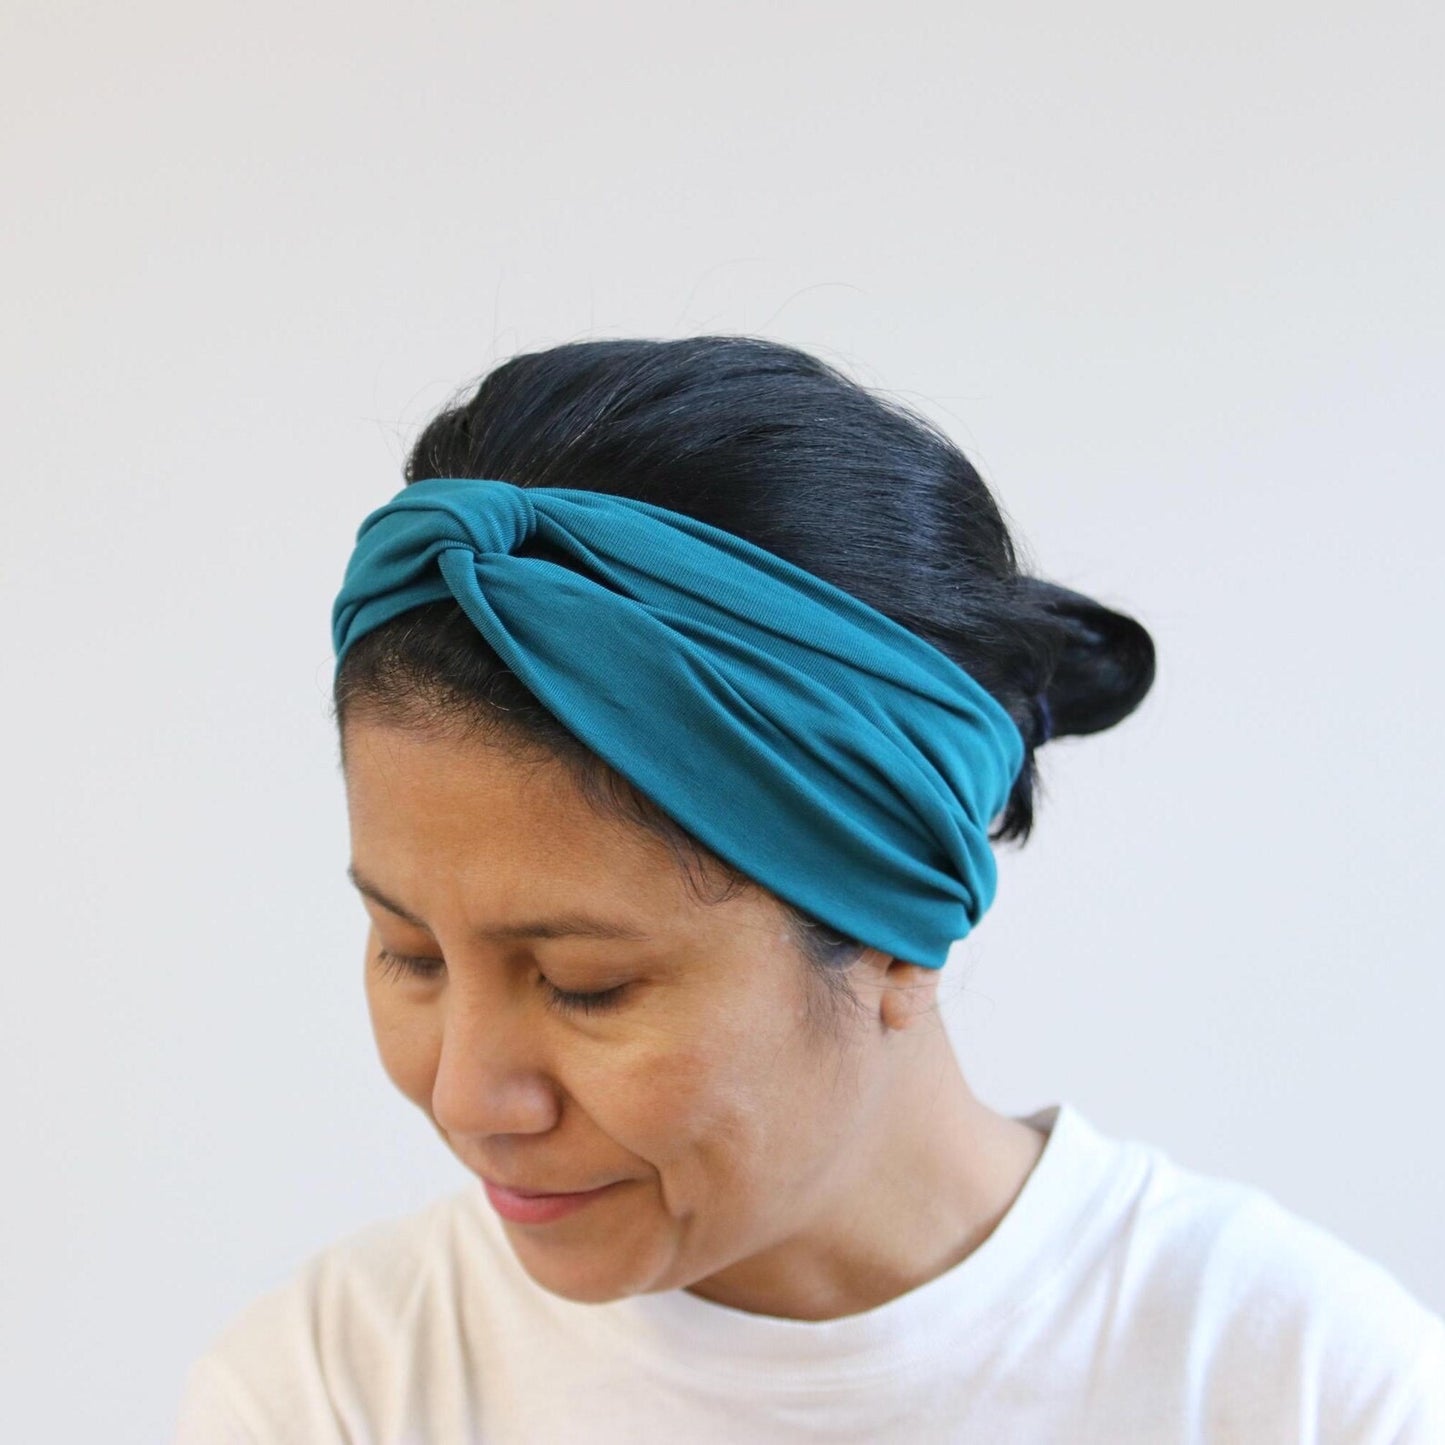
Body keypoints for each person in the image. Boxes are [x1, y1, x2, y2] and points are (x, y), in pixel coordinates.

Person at [174, 336, 1443, 1443]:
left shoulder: (1304, 1390)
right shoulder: (330, 1393)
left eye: (584, 984)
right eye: (410, 953)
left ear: (898, 938)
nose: (465, 1093)